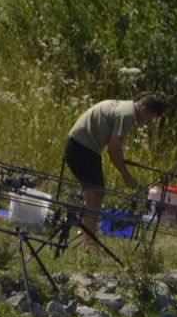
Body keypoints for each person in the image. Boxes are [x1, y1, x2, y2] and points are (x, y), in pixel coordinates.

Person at [64, 93, 168, 244]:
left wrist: (122, 159)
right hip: (82, 148)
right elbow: (112, 151)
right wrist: (127, 177)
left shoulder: (126, 109)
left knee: (95, 194)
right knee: (95, 194)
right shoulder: (127, 116)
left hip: (86, 147)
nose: (149, 123)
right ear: (144, 109)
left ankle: (88, 237)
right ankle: (88, 243)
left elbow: (116, 147)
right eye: (150, 119)